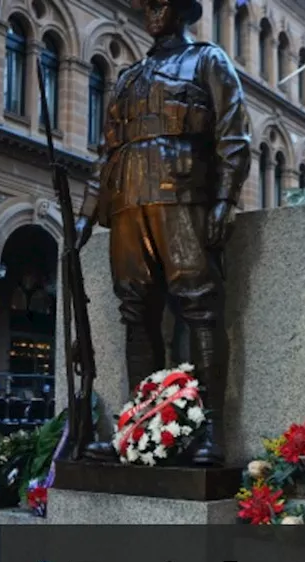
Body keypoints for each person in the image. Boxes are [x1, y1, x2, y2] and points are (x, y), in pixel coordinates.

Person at [74, 0, 251, 466]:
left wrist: (225, 200)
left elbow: (233, 137)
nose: (153, 11)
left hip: (184, 199)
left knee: (199, 308)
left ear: (183, 10)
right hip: (129, 204)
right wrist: (85, 215)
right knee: (136, 311)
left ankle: (210, 428)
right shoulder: (129, 78)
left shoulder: (208, 61)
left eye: (162, 3)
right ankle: (138, 428)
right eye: (147, 5)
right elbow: (106, 153)